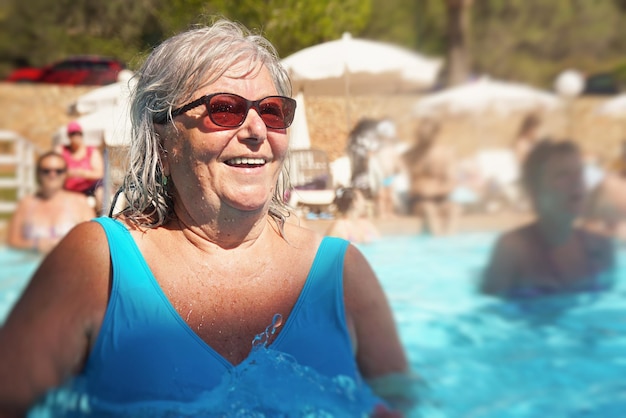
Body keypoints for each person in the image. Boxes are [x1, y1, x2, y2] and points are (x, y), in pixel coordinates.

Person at [0, 19, 410, 416]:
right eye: (225, 109)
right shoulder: (98, 265)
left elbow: (404, 406)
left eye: (272, 111)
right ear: (162, 139)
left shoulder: (342, 275)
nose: (256, 130)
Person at [481, 139, 615, 298]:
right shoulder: (513, 250)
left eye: (580, 173)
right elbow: (490, 311)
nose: (577, 182)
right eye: (563, 175)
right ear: (535, 190)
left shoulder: (601, 248)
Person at [7, 151, 95, 254]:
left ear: (65, 174)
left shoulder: (80, 202)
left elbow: (92, 240)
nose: (52, 175)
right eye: (46, 171)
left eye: (58, 171)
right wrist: (36, 244)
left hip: (69, 264)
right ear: (38, 174)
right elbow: (12, 241)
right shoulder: (26, 203)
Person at [403, 118, 460, 235]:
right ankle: (436, 244)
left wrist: (435, 191)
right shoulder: (410, 155)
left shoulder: (445, 154)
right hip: (419, 201)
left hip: (441, 199)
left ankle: (450, 245)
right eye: (420, 134)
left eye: (425, 134)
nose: (421, 137)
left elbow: (452, 182)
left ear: (435, 134)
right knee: (429, 210)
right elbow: (401, 181)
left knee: (454, 209)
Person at [54, 121, 105, 213]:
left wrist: (81, 173)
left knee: (101, 192)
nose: (76, 136)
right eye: (73, 134)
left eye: (79, 133)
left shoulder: (91, 151)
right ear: (69, 136)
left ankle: (101, 217)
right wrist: (67, 173)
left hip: (89, 187)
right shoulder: (61, 150)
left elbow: (99, 173)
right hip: (68, 188)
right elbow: (54, 169)